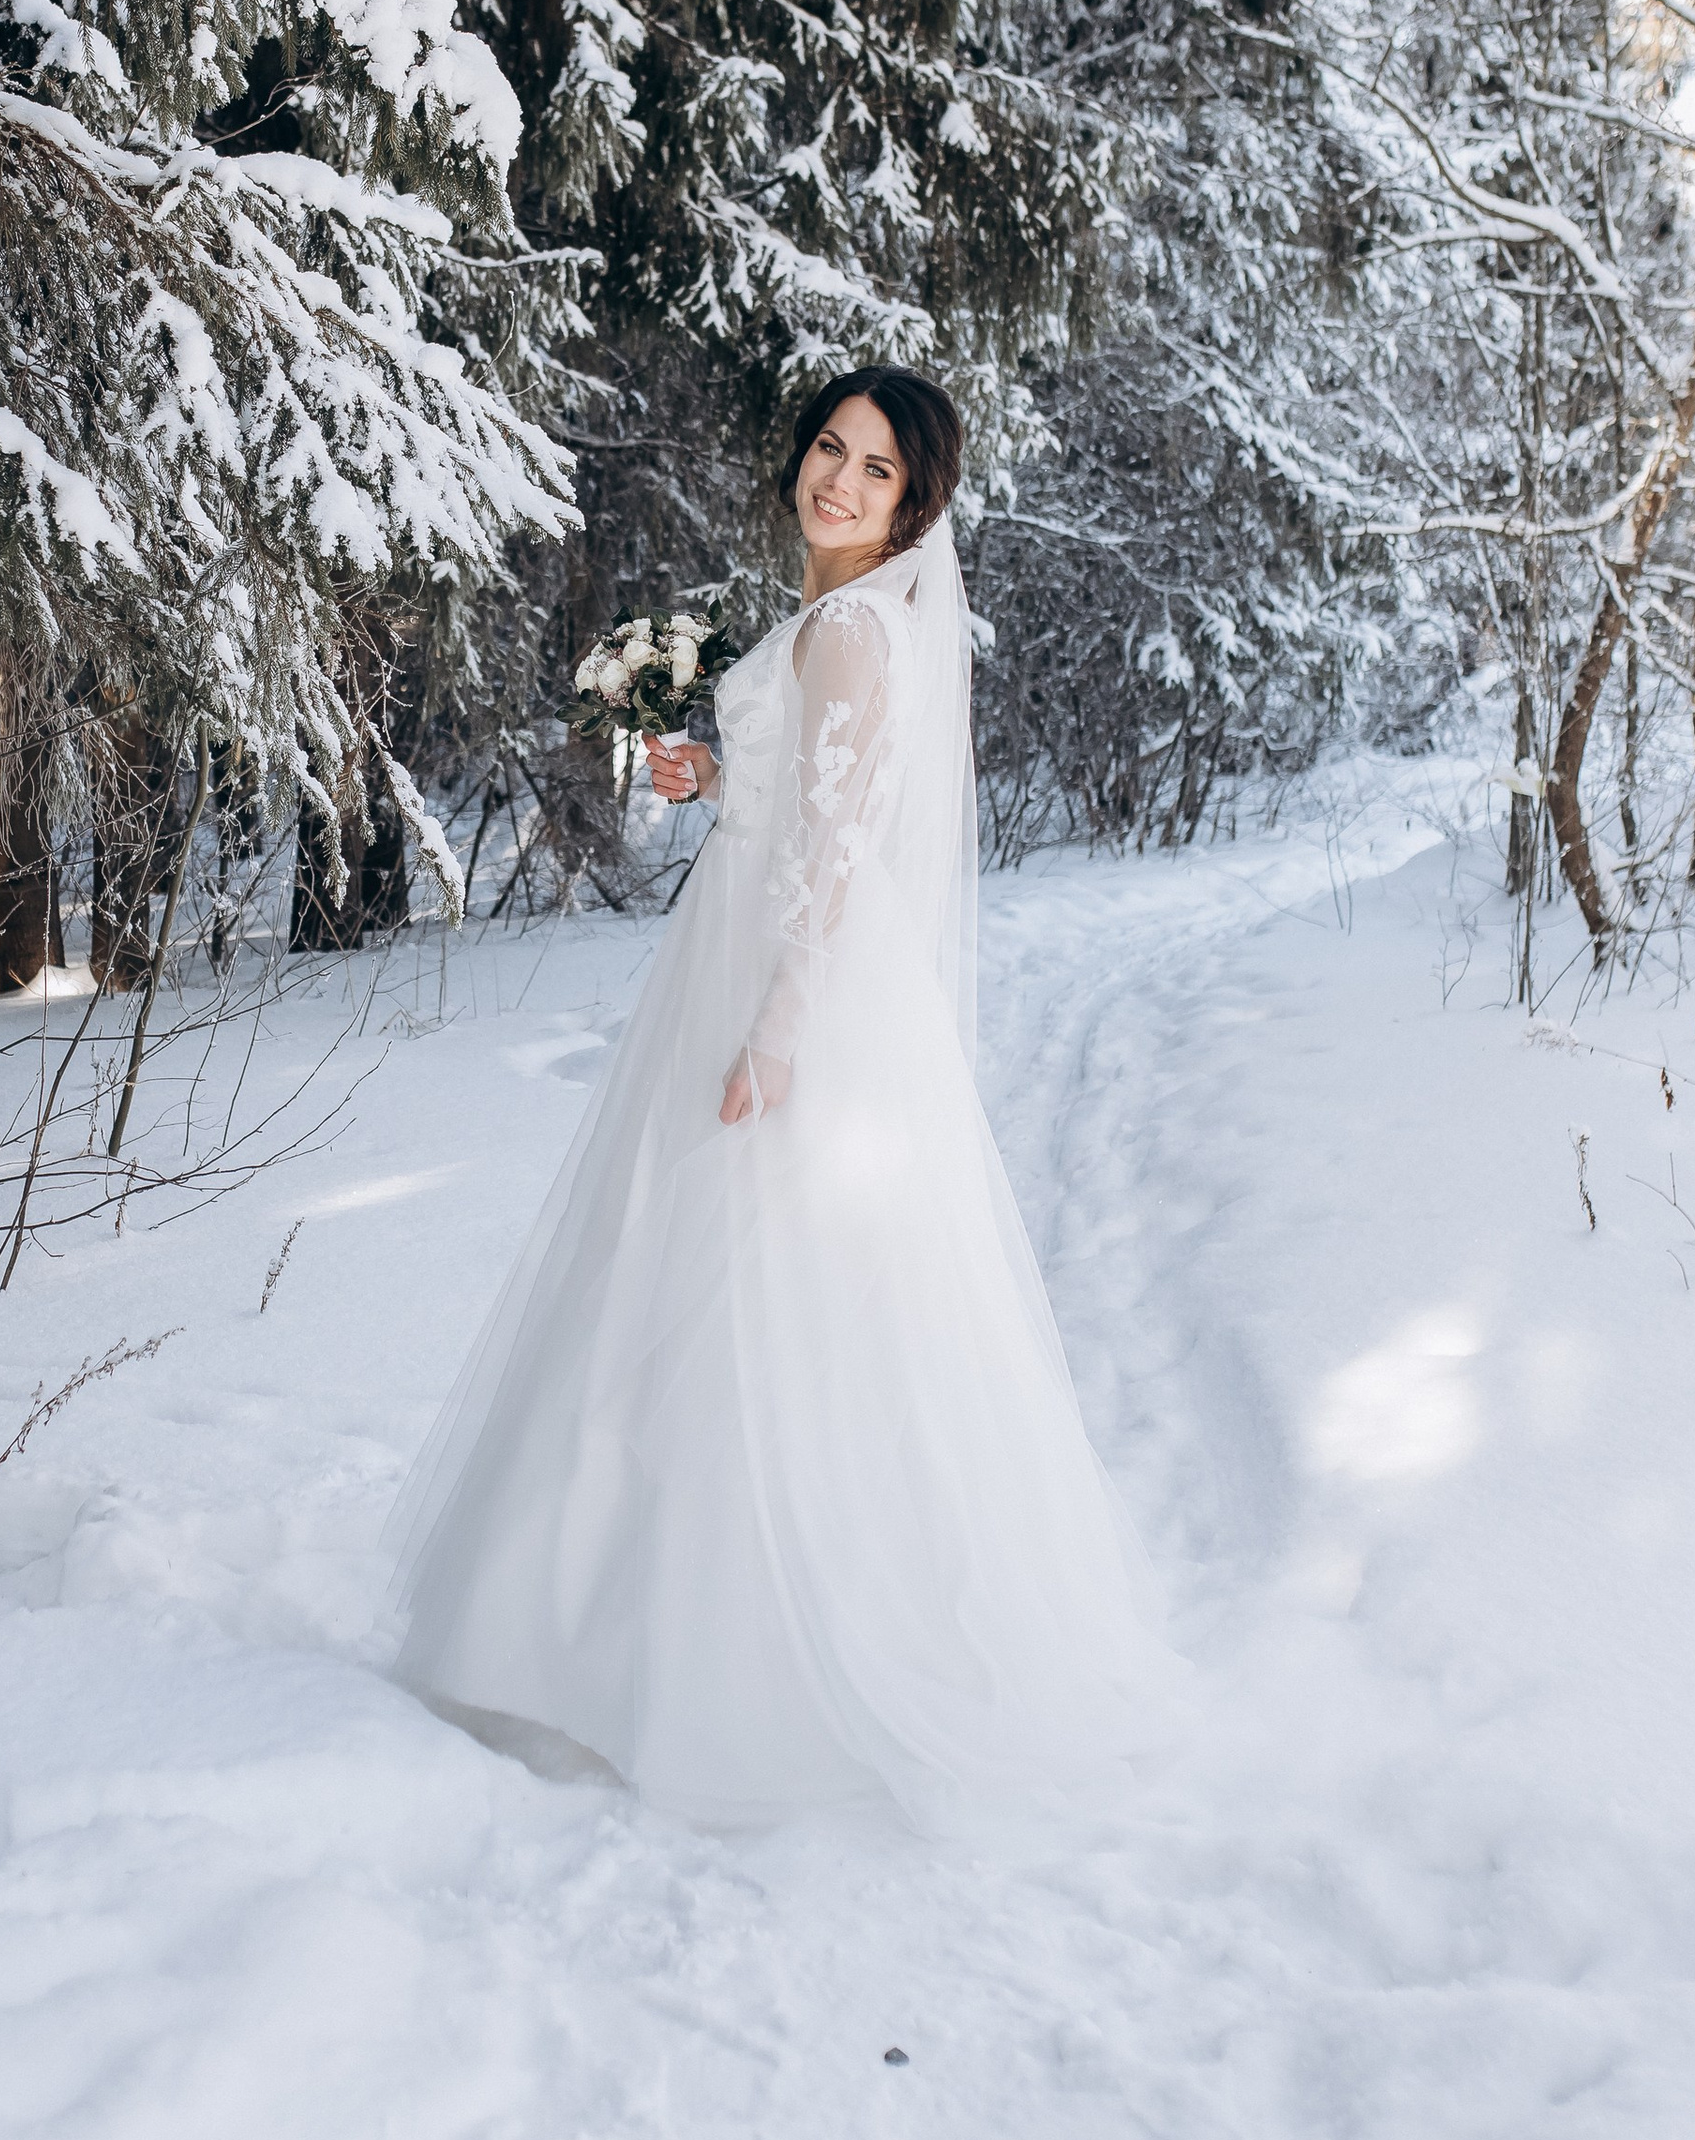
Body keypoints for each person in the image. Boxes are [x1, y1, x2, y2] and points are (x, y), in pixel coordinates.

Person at [388, 369, 1177, 1829]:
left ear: (914, 506)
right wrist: (711, 774)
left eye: (877, 471)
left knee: (755, 1295)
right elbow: (798, 806)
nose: (839, 481)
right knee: (704, 1280)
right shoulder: (835, 620)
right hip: (759, 953)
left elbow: (842, 852)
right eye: (830, 449)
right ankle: (630, 1628)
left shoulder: (858, 632)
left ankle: (741, 1668)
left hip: (791, 989)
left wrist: (780, 1032)